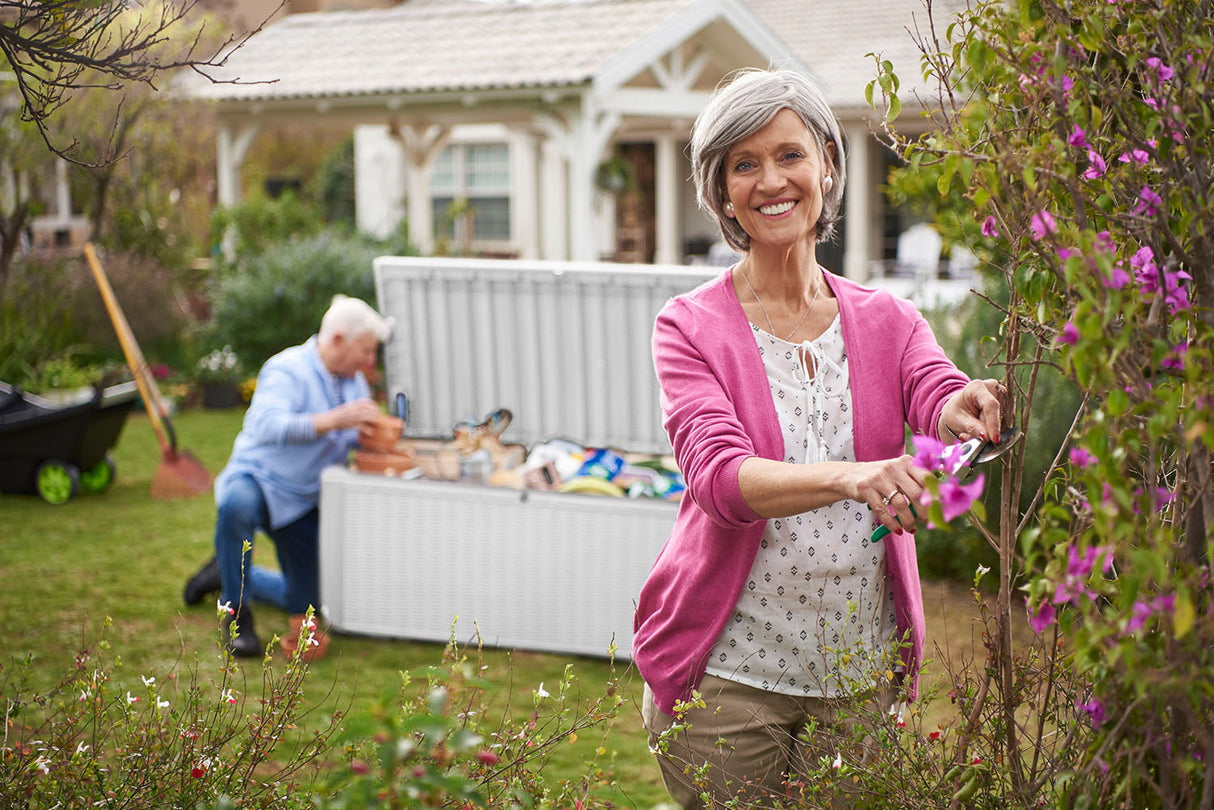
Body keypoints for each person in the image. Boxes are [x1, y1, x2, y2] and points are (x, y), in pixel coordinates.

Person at [631, 68, 1004, 807]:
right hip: (728, 680)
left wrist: (963, 402)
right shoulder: (689, 326)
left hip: (858, 676)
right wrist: (850, 476)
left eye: (789, 154)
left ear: (827, 165)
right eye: (744, 164)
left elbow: (935, 389)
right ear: (722, 192)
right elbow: (718, 477)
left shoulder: (888, 321)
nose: (771, 180)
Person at [183, 295, 392, 657]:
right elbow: (265, 424)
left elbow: (350, 437)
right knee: (235, 507)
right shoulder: (287, 369)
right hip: (258, 481)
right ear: (339, 340)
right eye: (366, 350)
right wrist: (333, 420)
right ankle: (237, 619)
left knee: (311, 602)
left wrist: (377, 437)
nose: (371, 361)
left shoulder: (354, 383)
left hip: (303, 499)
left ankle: (224, 574)